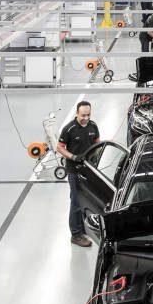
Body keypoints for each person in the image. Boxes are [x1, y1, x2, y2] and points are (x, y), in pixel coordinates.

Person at [55, 101, 100, 248]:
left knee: (86, 201)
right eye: (83, 115)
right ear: (77, 113)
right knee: (76, 202)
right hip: (74, 171)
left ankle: (82, 229)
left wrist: (96, 156)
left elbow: (97, 143)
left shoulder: (93, 126)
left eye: (88, 115)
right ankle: (76, 235)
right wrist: (73, 157)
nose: (86, 118)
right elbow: (60, 148)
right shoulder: (69, 129)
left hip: (88, 170)